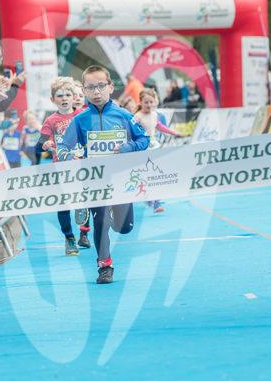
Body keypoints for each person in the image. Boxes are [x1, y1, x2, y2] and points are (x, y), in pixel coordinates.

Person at [58, 66, 150, 284]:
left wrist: (127, 147)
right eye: (90, 87)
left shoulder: (124, 115)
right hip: (95, 181)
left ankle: (114, 217)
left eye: (101, 86)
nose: (96, 91)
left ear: (110, 87)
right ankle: (105, 266)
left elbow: (144, 139)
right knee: (100, 222)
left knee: (124, 228)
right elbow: (63, 146)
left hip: (122, 180)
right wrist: (68, 155)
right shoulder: (79, 120)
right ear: (84, 90)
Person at [36, 78, 89, 255]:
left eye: (68, 95)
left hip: (82, 167)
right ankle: (69, 238)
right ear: (53, 99)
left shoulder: (82, 115)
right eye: (59, 96)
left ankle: (84, 229)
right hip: (60, 169)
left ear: (74, 97)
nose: (64, 98)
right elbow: (41, 142)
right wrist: (47, 144)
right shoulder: (51, 120)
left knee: (86, 200)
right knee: (63, 205)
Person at [133, 88, 183, 213]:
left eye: (151, 102)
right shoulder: (137, 117)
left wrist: (174, 132)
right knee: (145, 176)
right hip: (142, 149)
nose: (149, 105)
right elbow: (131, 131)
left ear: (155, 102)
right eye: (146, 102)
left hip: (154, 147)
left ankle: (155, 201)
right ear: (140, 102)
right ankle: (150, 199)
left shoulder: (155, 115)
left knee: (156, 174)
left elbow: (159, 126)